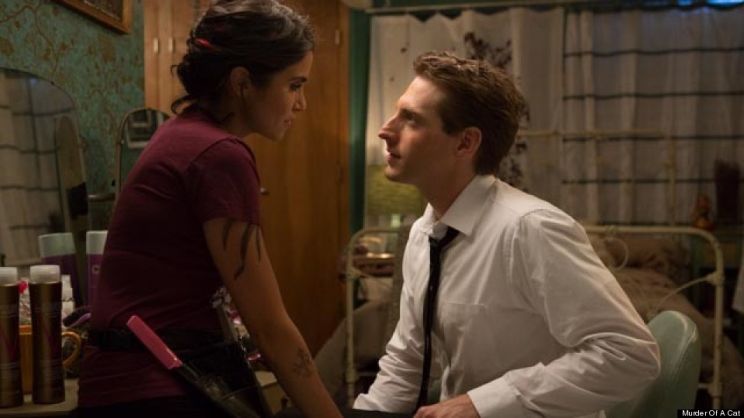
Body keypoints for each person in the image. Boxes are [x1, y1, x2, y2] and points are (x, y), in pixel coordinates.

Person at [353, 51, 661, 418]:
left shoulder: (531, 229)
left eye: (411, 119)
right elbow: (407, 361)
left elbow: (630, 353)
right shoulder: (423, 234)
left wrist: (481, 404)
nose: (385, 130)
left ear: (465, 143)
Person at [77, 1, 341, 417]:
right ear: (242, 82)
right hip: (155, 390)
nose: (301, 103)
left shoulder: (180, 133)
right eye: (294, 85)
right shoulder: (219, 154)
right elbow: (270, 328)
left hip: (129, 382)